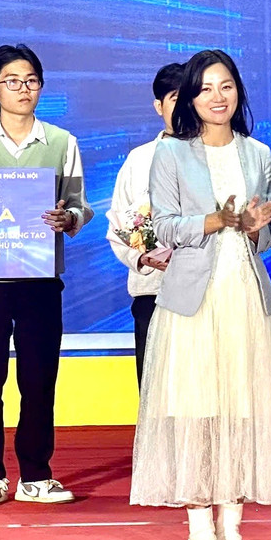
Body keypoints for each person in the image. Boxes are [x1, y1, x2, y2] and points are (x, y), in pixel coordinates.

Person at [129, 50, 271, 540]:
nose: (217, 96)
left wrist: (254, 225)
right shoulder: (171, 153)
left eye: (226, 86)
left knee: (240, 411)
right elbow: (163, 226)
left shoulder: (258, 153)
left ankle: (232, 529)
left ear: (238, 91)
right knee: (197, 411)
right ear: (190, 97)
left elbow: (266, 234)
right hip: (193, 302)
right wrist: (212, 220)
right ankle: (199, 532)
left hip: (245, 298)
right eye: (205, 88)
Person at [0, 44, 94, 508]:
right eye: (12, 81)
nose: (23, 89)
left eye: (31, 80)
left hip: (39, 282)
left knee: (38, 381)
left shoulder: (62, 142)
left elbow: (81, 206)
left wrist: (68, 219)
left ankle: (35, 475)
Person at [106, 61, 184, 387]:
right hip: (153, 294)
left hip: (212, 295)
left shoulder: (221, 155)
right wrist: (142, 257)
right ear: (159, 106)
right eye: (177, 98)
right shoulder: (138, 160)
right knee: (155, 395)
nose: (186, 106)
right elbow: (119, 222)